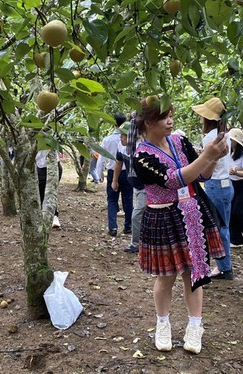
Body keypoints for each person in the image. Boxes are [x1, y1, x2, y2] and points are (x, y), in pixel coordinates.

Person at [131, 97, 228, 354]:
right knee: (166, 277)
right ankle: (163, 322)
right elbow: (173, 181)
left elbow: (202, 175)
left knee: (194, 274)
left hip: (191, 213)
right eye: (165, 117)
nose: (171, 121)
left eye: (171, 115)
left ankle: (195, 325)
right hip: (163, 217)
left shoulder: (180, 141)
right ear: (148, 122)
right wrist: (207, 154)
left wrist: (214, 158)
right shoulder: (141, 155)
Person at [192, 97, 234, 280]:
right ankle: (222, 266)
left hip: (215, 183)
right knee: (221, 225)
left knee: (218, 227)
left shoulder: (210, 137)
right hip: (225, 183)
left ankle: (224, 267)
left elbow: (209, 163)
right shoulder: (226, 135)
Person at [96, 112, 133, 236]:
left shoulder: (108, 139)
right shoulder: (130, 138)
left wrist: (99, 173)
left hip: (113, 172)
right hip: (127, 172)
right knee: (127, 200)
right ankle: (128, 226)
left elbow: (101, 157)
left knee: (112, 200)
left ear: (114, 123)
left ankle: (113, 227)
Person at [111, 122, 145, 253]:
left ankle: (136, 244)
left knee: (136, 215)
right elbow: (118, 162)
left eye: (123, 136)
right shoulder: (122, 147)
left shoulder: (140, 148)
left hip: (145, 188)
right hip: (137, 187)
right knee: (142, 215)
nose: (121, 138)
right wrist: (114, 180)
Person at [36, 149, 62, 229]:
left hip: (54, 166)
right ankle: (43, 217)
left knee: (51, 193)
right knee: (41, 193)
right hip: (40, 168)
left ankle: (54, 217)